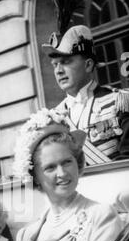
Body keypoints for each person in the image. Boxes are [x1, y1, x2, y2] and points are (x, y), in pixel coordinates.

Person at [12, 108, 124, 241]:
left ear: (78, 163)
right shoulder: (25, 235)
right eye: (50, 167)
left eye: (67, 162)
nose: (62, 173)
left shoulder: (100, 215)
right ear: (35, 176)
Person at [42, 24, 129, 163]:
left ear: (88, 65)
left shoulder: (120, 102)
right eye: (55, 64)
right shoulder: (52, 117)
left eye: (65, 62)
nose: (58, 70)